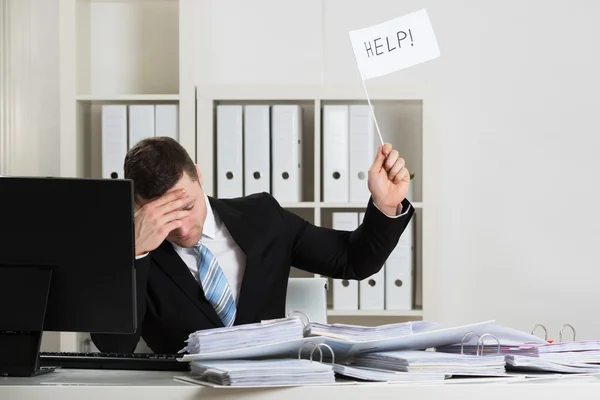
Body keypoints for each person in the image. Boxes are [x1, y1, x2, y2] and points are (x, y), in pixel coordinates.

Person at [91, 136, 414, 354]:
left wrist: (385, 206)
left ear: (199, 176)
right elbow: (112, 346)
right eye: (165, 215)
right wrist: (135, 254)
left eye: (187, 207)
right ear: (138, 204)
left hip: (268, 390)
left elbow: (353, 262)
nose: (182, 227)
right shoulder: (127, 251)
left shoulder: (262, 216)